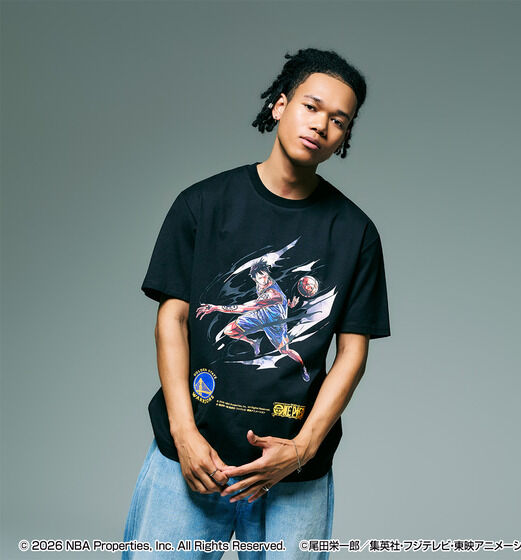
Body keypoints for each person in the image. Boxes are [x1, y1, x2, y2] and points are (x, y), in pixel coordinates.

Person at [122, 47, 391, 559]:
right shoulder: (202, 204)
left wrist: (302, 449)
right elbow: (172, 320)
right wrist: (184, 433)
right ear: (280, 105)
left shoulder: (355, 233)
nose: (321, 125)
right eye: (311, 106)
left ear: (344, 136)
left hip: (293, 475)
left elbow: (352, 354)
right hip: (191, 457)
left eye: (339, 120)